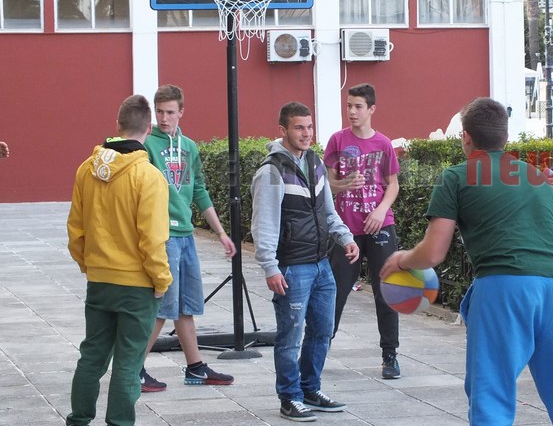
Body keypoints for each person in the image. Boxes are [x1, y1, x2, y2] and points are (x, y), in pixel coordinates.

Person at [380, 97, 553, 426]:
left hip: (504, 287)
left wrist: (402, 259)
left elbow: (434, 253)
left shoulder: (456, 176)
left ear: (465, 136)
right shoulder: (535, 176)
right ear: (505, 137)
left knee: (491, 395)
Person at [66, 94, 172, 426]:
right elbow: (152, 239)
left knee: (91, 357)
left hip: (99, 280)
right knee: (128, 362)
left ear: (117, 125)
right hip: (137, 286)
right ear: (149, 127)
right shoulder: (149, 176)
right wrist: (162, 280)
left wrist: (89, 265)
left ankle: (79, 419)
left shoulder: (86, 169)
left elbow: (76, 229)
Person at [251, 101, 359, 422]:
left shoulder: (314, 163)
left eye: (309, 127)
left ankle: (310, 389)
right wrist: (270, 267)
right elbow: (263, 224)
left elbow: (328, 211)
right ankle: (290, 397)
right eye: (299, 127)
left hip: (322, 264)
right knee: (290, 337)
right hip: (291, 267)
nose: (306, 133)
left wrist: (345, 237)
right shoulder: (271, 171)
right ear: (283, 130)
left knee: (323, 330)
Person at [140, 84, 237, 392]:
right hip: (163, 235)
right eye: (159, 111)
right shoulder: (147, 145)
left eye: (170, 112)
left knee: (185, 305)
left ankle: (195, 367)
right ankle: (133, 370)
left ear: (181, 112)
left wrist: (221, 233)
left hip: (186, 235)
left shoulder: (190, 147)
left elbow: (199, 190)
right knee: (162, 305)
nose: (164, 118)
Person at [324, 83, 402, 379]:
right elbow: (327, 185)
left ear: (371, 109)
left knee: (386, 291)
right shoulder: (337, 140)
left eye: (358, 106)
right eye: (349, 106)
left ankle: (390, 355)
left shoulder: (383, 144)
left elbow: (393, 184)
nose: (352, 111)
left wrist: (381, 210)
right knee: (335, 291)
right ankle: (320, 349)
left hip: (381, 226)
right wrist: (344, 185)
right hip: (346, 230)